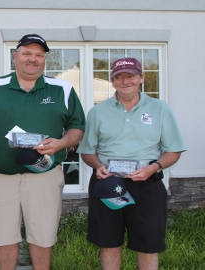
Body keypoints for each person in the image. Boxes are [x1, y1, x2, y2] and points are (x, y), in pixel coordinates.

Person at [0, 34, 86, 270]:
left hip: (45, 176)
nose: (33, 59)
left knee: (43, 237)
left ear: (45, 60)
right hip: (0, 176)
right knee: (3, 237)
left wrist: (61, 144)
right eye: (27, 54)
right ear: (15, 56)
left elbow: (77, 127)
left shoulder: (63, 89)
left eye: (39, 55)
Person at [77, 57, 186, 270]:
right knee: (108, 242)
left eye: (131, 75)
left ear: (141, 78)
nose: (125, 81)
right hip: (108, 182)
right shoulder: (98, 112)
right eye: (119, 77)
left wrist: (153, 167)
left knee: (148, 244)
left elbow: (173, 150)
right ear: (112, 81)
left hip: (147, 183)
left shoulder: (161, 109)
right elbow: (87, 152)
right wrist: (98, 166)